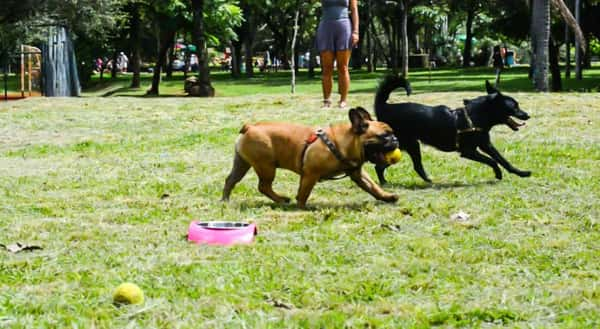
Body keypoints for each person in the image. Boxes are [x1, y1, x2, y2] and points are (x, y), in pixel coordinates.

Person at [316, 0, 359, 108]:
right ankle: (327, 101)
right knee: (327, 67)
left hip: (344, 26)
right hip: (326, 26)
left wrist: (355, 32)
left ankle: (343, 100)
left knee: (343, 67)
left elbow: (354, 10)